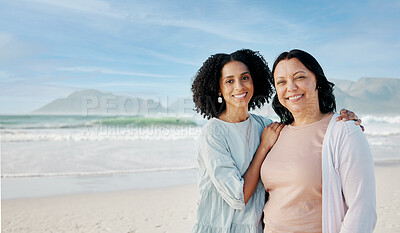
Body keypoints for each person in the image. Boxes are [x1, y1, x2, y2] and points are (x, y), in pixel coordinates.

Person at [191, 49, 361, 233]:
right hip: (220, 228)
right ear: (218, 88)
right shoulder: (213, 133)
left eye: (245, 77)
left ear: (254, 80)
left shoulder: (265, 126)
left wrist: (343, 122)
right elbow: (237, 197)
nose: (239, 86)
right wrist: (263, 147)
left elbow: (302, 132)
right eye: (229, 81)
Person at [260, 49, 376, 233]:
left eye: (299, 77)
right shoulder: (275, 132)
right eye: (281, 82)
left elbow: (362, 210)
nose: (290, 87)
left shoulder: (344, 130)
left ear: (318, 82)